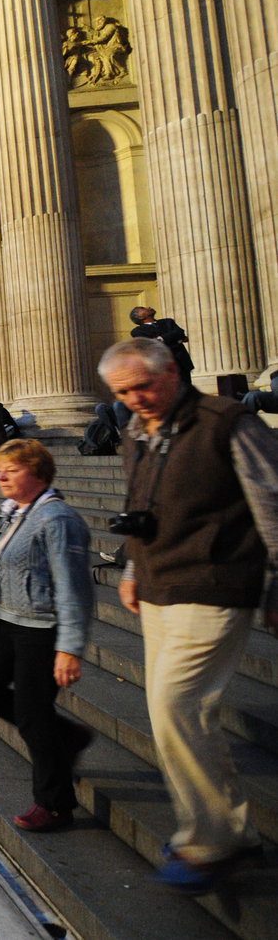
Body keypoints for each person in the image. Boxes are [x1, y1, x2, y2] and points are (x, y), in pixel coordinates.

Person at [99, 337, 278, 893]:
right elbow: (140, 505)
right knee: (177, 715)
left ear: (172, 371)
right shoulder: (135, 431)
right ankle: (229, 830)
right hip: (159, 586)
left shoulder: (228, 422)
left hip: (217, 582)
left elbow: (272, 501)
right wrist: (131, 570)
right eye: (123, 393)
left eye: (144, 387)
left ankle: (212, 840)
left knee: (177, 705)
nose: (136, 400)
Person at [0, 440, 95, 833]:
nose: (1, 476)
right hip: (6, 618)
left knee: (33, 716)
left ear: (38, 473)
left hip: (42, 628)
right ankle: (68, 736)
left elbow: (75, 588)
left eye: (13, 470)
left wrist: (69, 648)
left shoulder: (58, 519)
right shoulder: (13, 512)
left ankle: (54, 804)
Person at [129, 306, 194, 377]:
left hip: (182, 363)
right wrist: (175, 340)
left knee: (186, 387)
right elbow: (150, 345)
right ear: (141, 317)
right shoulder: (137, 331)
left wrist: (160, 339)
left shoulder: (168, 322)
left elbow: (179, 332)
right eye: (143, 308)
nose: (149, 307)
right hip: (162, 366)